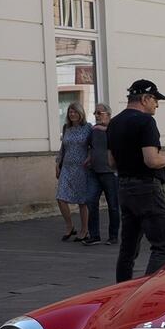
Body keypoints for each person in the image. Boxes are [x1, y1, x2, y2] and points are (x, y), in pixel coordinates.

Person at [108, 79, 165, 282]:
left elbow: (111, 162)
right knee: (162, 248)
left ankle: (120, 292)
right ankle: (148, 294)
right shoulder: (145, 122)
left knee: (128, 249)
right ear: (145, 98)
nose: (157, 104)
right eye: (155, 99)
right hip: (147, 188)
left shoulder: (114, 122)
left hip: (124, 187)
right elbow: (151, 160)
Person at [82, 103, 119, 246]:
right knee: (91, 201)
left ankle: (113, 236)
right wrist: (89, 158)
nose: (96, 116)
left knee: (113, 205)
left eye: (99, 113)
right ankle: (94, 235)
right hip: (94, 172)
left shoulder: (114, 129)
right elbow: (91, 147)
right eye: (95, 113)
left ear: (108, 115)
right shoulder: (94, 130)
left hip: (110, 173)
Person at [55, 102, 91, 241]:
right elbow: (62, 148)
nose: (72, 114)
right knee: (60, 197)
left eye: (75, 111)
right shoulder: (66, 128)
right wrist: (57, 163)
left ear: (80, 113)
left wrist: (90, 157)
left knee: (82, 201)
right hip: (67, 168)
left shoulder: (87, 128)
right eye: (70, 112)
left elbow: (93, 146)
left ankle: (84, 230)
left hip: (82, 168)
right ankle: (69, 226)